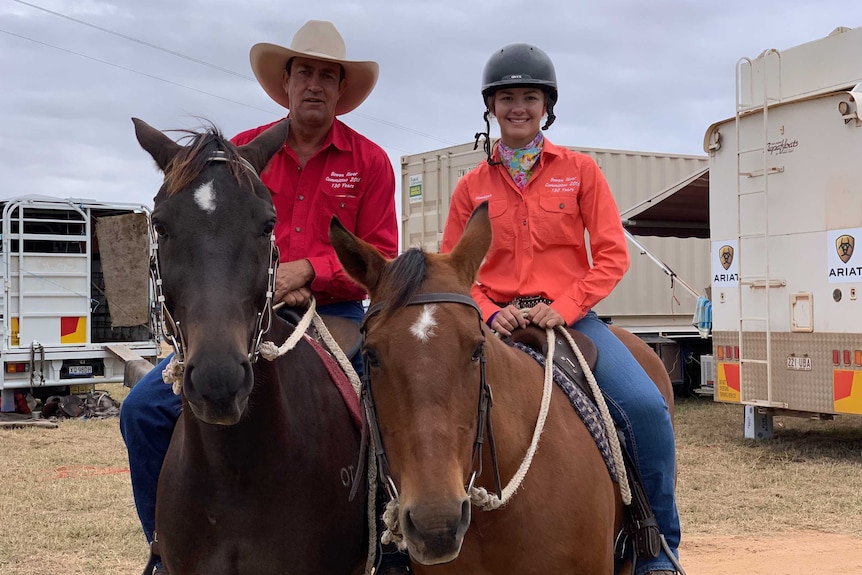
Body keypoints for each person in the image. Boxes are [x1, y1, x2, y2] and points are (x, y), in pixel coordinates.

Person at [120, 20, 410, 575]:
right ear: (288, 81)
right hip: (247, 314)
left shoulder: (368, 160)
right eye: (306, 72)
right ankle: (164, 542)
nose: (316, 85)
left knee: (385, 404)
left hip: (336, 314)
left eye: (328, 75)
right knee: (142, 411)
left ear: (340, 91)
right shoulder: (239, 158)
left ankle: (391, 544)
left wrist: (310, 269)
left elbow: (380, 257)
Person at [440, 43, 682, 575]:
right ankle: (395, 541)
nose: (518, 107)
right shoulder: (470, 188)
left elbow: (613, 256)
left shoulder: (581, 172)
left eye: (529, 97)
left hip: (570, 320)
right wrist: (485, 310)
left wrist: (566, 305)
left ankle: (659, 547)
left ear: (547, 106)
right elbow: (454, 269)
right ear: (491, 107)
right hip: (496, 321)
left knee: (645, 409)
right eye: (507, 98)